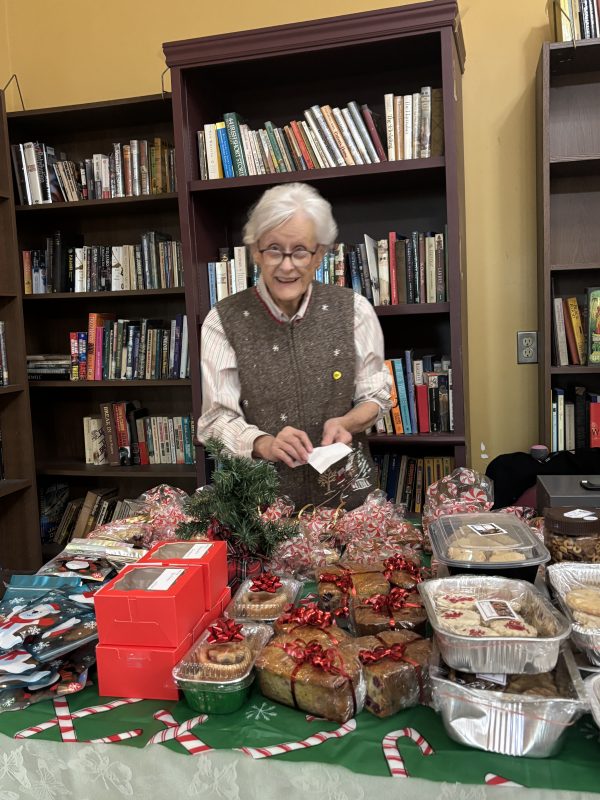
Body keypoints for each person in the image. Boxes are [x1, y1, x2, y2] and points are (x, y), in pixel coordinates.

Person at [197, 182, 391, 510]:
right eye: (274, 249)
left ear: (319, 255)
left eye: (300, 250)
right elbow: (215, 420)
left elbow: (376, 396)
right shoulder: (222, 321)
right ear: (255, 252)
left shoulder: (355, 311)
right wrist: (264, 443)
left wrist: (347, 423)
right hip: (261, 514)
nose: (287, 266)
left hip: (349, 507)